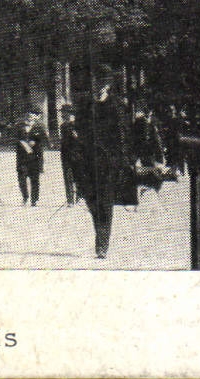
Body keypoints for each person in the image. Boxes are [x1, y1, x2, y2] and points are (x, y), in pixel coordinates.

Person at [76, 69, 133, 259]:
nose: (97, 86)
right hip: (87, 163)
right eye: (95, 82)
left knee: (105, 203)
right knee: (92, 203)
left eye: (101, 83)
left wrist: (122, 162)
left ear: (108, 85)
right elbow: (79, 133)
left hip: (108, 164)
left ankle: (102, 243)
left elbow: (123, 137)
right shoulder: (85, 106)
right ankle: (100, 234)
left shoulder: (116, 106)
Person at [14, 108, 47, 205]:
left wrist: (36, 142)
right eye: (28, 116)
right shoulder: (19, 127)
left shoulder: (40, 127)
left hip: (35, 158)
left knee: (35, 180)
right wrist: (21, 143)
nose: (29, 118)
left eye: (32, 116)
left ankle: (34, 200)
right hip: (22, 158)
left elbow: (45, 140)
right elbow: (13, 139)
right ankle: (25, 197)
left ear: (35, 118)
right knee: (21, 179)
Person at [59, 104, 84, 205]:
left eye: (63, 113)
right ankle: (70, 200)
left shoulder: (78, 125)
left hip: (78, 155)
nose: (62, 115)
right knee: (68, 177)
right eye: (62, 113)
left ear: (69, 113)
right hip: (66, 155)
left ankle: (79, 196)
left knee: (78, 176)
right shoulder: (63, 126)